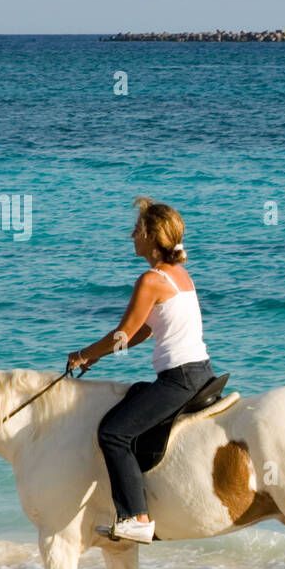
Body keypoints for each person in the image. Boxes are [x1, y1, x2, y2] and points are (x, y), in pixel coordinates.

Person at [67, 197, 214, 543]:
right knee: (133, 397)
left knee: (113, 434)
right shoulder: (179, 276)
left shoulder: (150, 280)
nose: (131, 235)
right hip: (199, 372)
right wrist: (99, 356)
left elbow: (122, 333)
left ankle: (137, 518)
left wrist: (83, 354)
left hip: (179, 379)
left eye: (136, 229)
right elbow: (145, 330)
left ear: (151, 236)